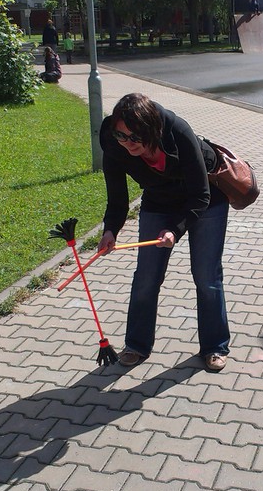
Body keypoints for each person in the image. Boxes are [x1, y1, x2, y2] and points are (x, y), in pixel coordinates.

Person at [97, 93, 232, 372]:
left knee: (207, 277)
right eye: (122, 135)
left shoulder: (178, 131)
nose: (127, 143)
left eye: (134, 137)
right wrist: (110, 230)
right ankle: (136, 345)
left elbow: (201, 196)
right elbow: (117, 197)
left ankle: (215, 346)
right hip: (159, 201)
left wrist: (175, 231)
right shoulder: (112, 142)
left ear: (151, 130)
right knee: (146, 277)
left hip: (205, 200)